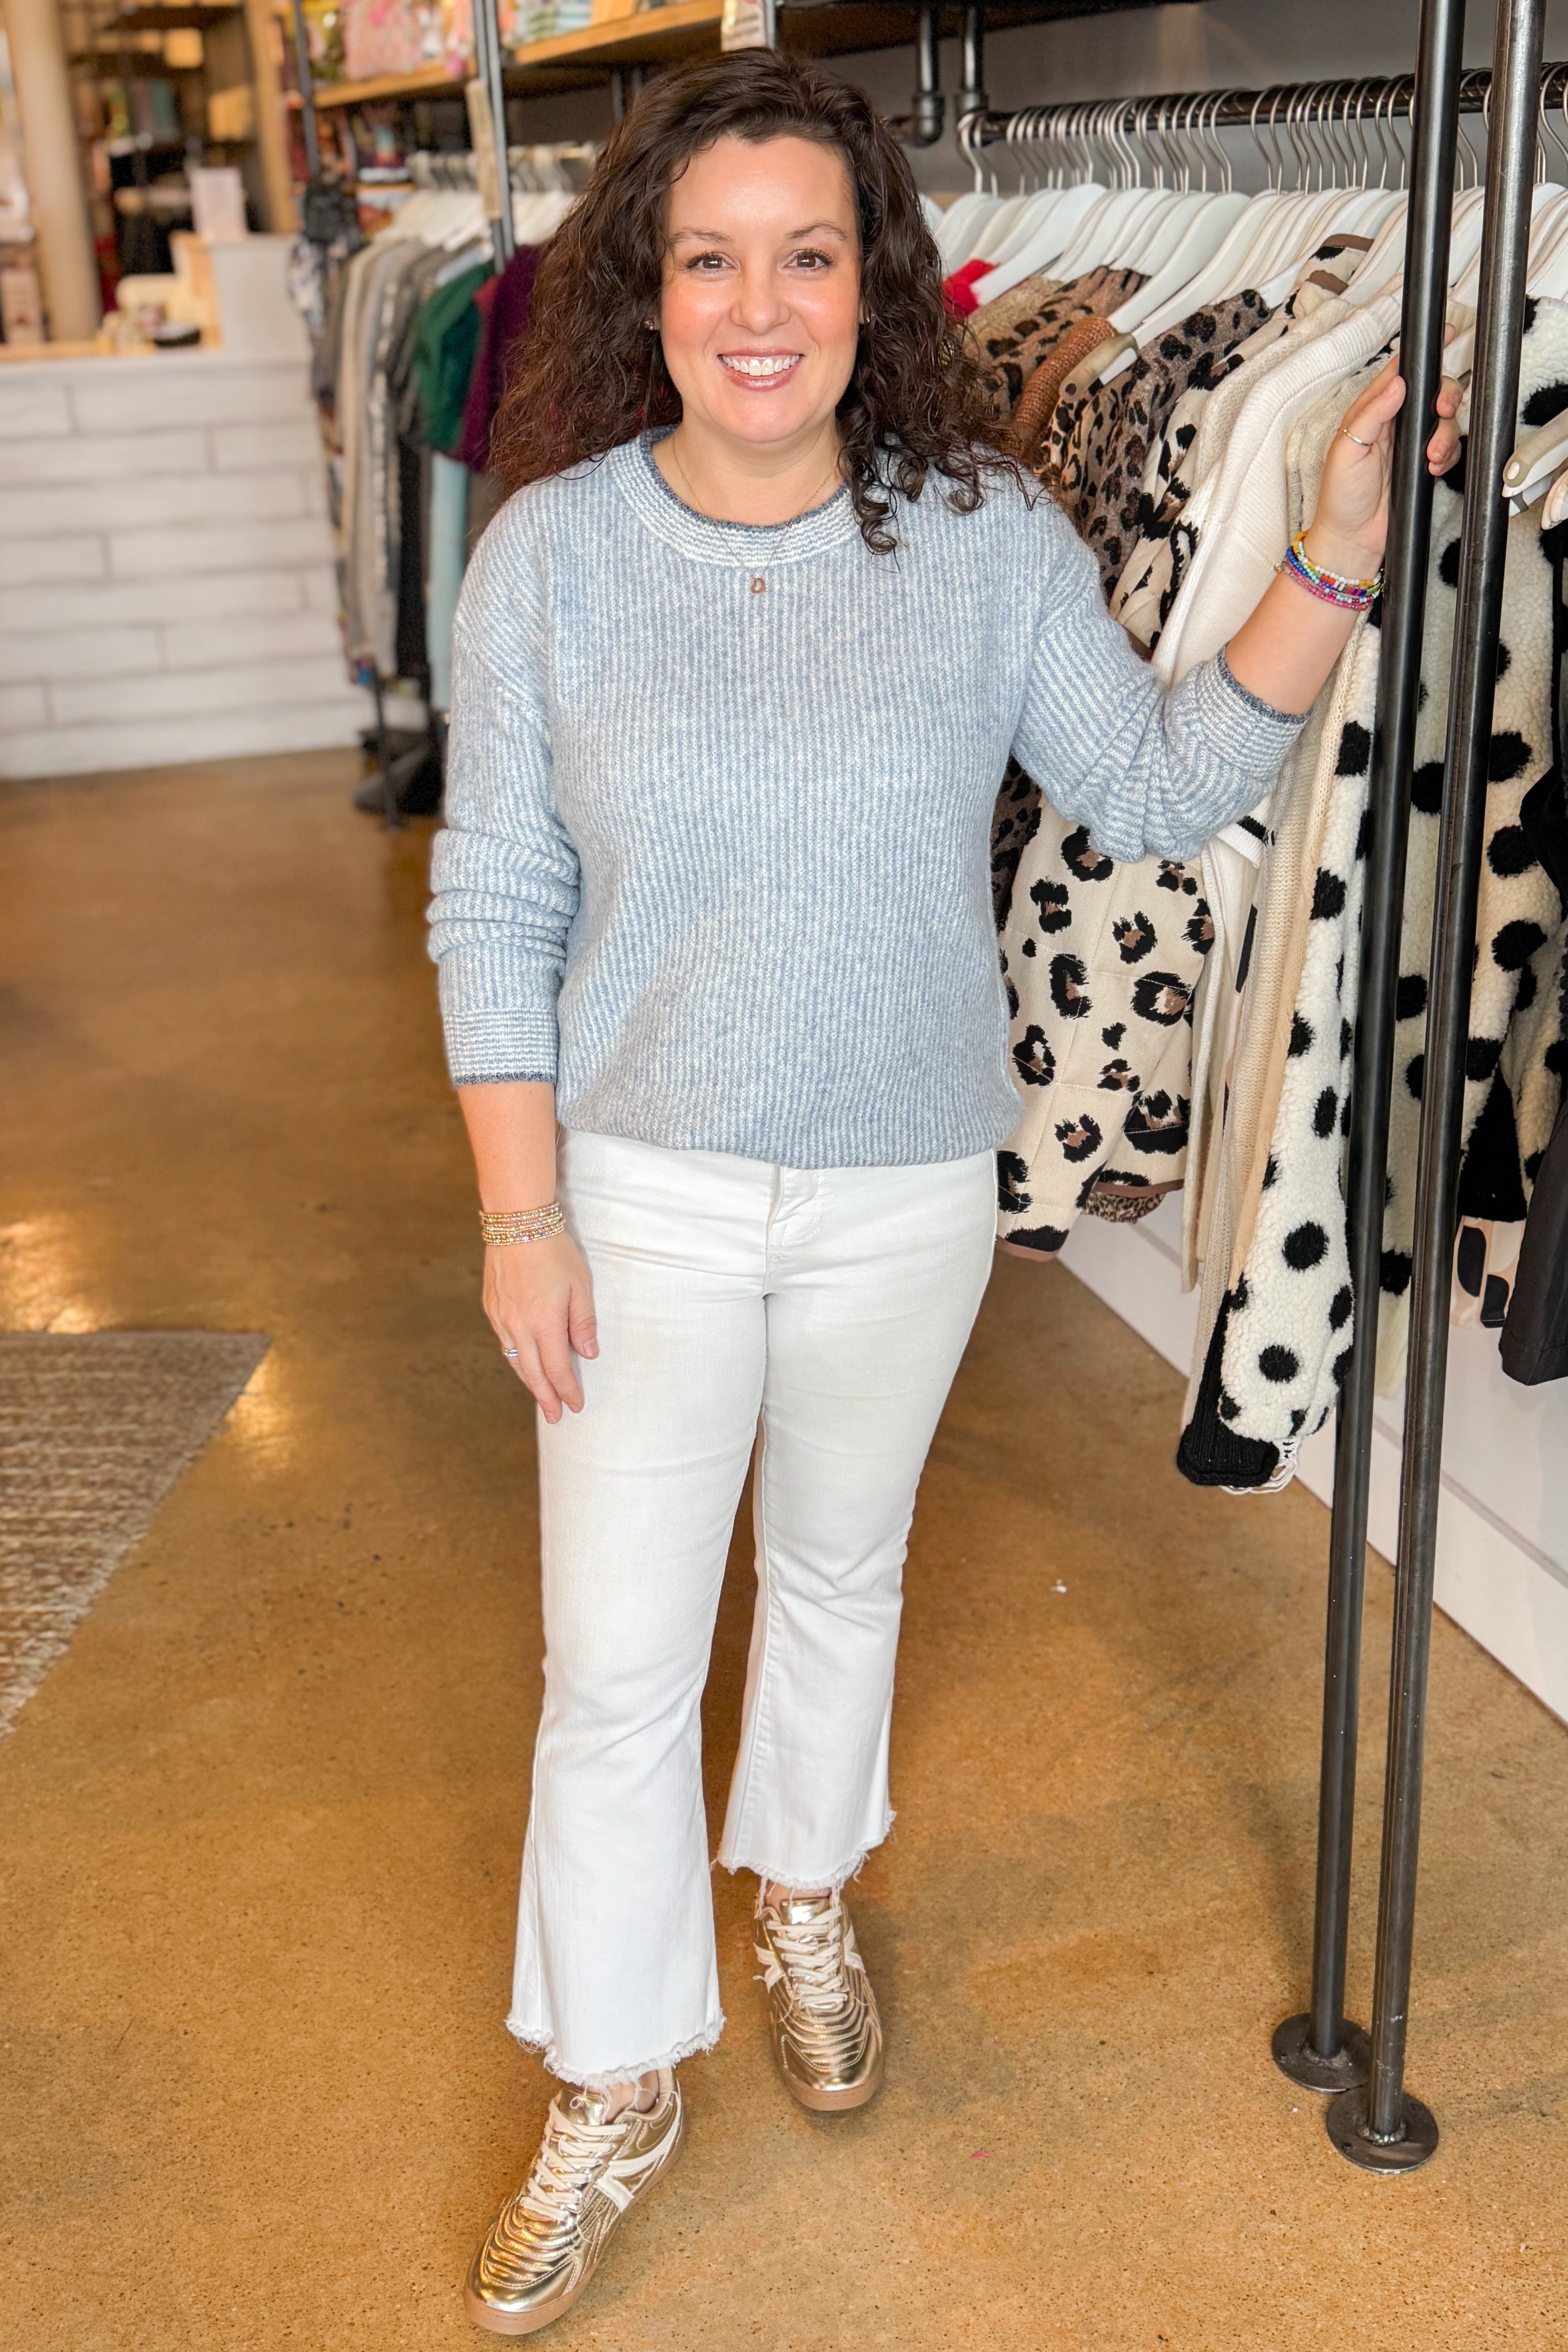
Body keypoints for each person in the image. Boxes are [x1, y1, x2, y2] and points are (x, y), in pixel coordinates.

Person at [426, 50, 1461, 2337]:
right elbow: (492, 897)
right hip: (644, 1185)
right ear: (652, 289)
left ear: (870, 287)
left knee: (840, 1568)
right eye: (713, 259)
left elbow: (1165, 776)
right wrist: (522, 1212)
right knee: (611, 1659)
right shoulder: (553, 558)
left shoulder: (978, 534)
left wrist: (1335, 552)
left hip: (907, 1179)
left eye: (809, 255)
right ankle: (615, 2066)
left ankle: (799, 1884)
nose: (762, 305)